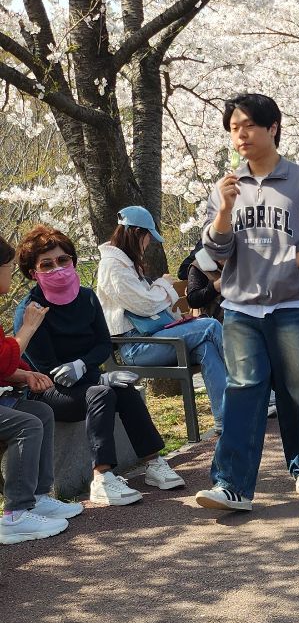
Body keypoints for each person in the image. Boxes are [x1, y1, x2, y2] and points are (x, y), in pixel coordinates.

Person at [195, 90, 299, 513]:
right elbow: (215, 252)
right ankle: (231, 484)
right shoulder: (226, 188)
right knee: (243, 389)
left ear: (272, 128)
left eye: (248, 126)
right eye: (233, 129)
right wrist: (224, 210)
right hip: (241, 308)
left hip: (296, 305)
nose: (240, 135)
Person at [14, 224, 184, 505]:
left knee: (124, 390)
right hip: (48, 390)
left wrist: (84, 365)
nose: (57, 268)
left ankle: (153, 462)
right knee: (101, 393)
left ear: (73, 261)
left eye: (63, 260)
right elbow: (46, 369)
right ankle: (102, 477)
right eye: (47, 264)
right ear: (33, 272)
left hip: (86, 380)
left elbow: (103, 344)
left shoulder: (87, 297)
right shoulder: (31, 309)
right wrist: (96, 378)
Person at [96, 207, 228, 430]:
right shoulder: (112, 266)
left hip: (154, 338)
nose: (148, 243)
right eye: (148, 237)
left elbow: (146, 301)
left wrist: (159, 287)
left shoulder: (125, 264)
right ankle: (253, 391)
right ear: (137, 233)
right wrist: (163, 284)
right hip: (136, 346)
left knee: (206, 347)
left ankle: (226, 420)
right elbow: (146, 304)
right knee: (211, 326)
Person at [0, 235, 83, 543]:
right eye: (8, 267)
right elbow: (3, 359)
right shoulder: (28, 308)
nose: (10, 274)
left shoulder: (85, 298)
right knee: (26, 424)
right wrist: (28, 328)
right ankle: (15, 514)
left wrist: (24, 375)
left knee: (41, 412)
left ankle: (37, 497)